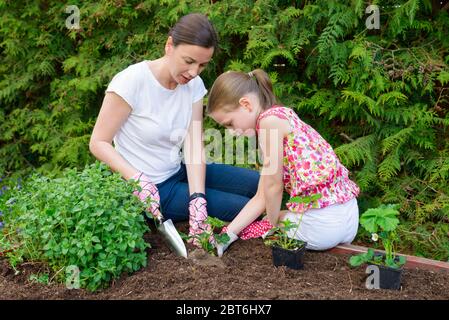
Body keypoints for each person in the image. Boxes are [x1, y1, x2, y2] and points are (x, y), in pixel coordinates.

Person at [89, 13, 259, 248]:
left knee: (260, 184)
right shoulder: (131, 82)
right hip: (153, 189)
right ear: (169, 45)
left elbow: (192, 144)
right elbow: (98, 142)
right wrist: (137, 180)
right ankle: (291, 226)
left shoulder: (194, 86)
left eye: (202, 65)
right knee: (243, 207)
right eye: (189, 61)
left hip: (179, 169)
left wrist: (198, 198)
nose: (194, 72)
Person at [206, 69, 360, 256]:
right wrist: (226, 235)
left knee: (266, 223)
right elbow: (262, 196)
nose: (231, 132)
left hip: (322, 227)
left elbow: (273, 187)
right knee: (270, 218)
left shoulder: (267, 124)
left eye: (229, 123)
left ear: (246, 104)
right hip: (349, 219)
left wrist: (271, 228)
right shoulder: (281, 115)